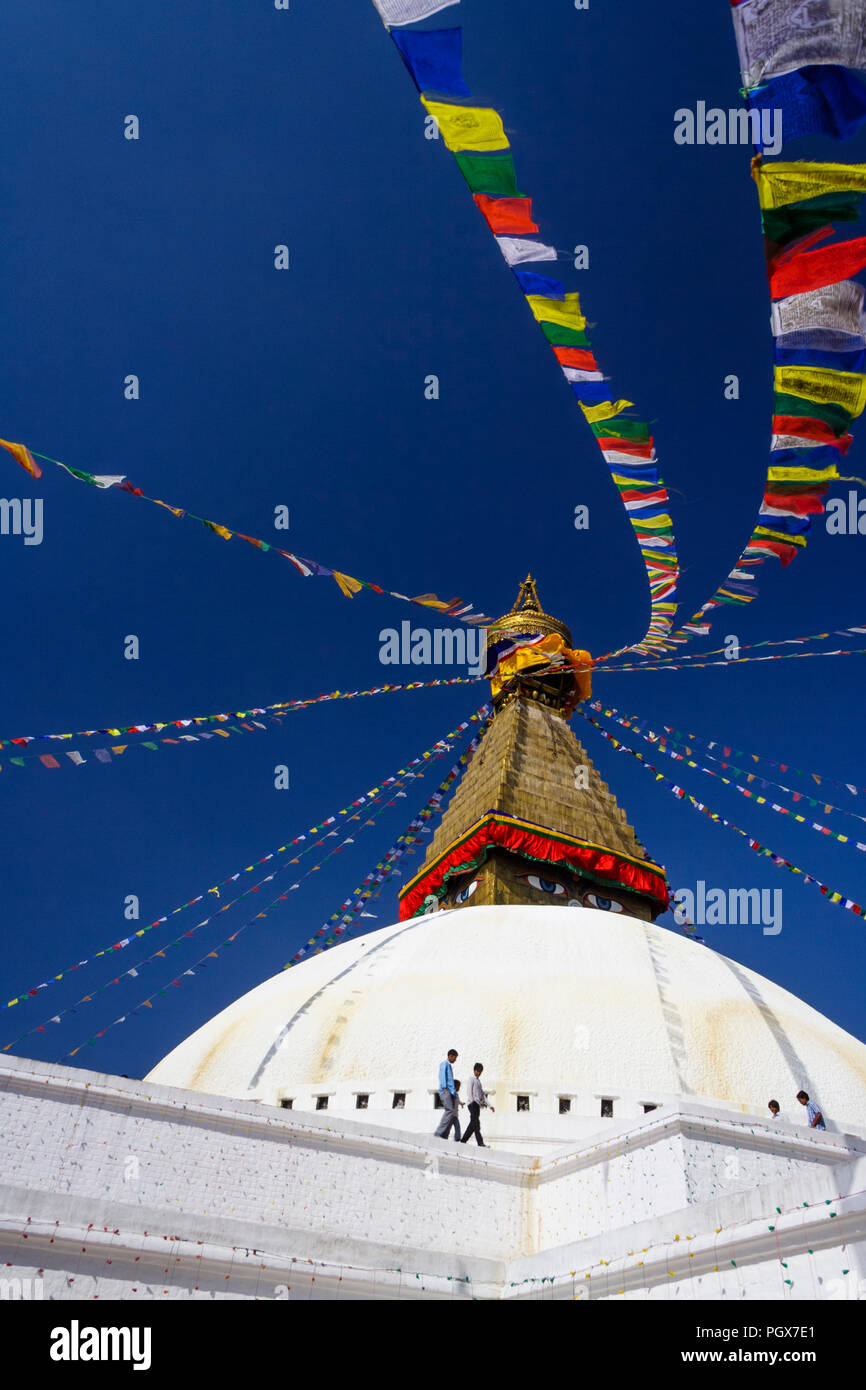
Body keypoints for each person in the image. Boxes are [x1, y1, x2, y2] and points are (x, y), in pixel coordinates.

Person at [461, 1062, 495, 1147]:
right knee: (476, 1124)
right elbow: (469, 1090)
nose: (478, 1073)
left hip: (477, 1105)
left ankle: (463, 1140)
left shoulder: (479, 1082)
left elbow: (482, 1096)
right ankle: (480, 1143)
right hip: (472, 1104)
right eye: (477, 1071)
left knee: (473, 1124)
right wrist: (471, 1100)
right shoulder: (471, 1079)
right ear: (474, 1070)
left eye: (480, 1071)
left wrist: (490, 1105)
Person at [434, 1049, 459, 1138]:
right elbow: (442, 1076)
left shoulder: (449, 1065)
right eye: (455, 1058)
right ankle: (438, 1132)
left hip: (451, 1092)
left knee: (451, 1113)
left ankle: (444, 1134)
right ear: (451, 1056)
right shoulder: (444, 1064)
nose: (455, 1060)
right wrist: (444, 1087)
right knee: (449, 1110)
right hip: (446, 1091)